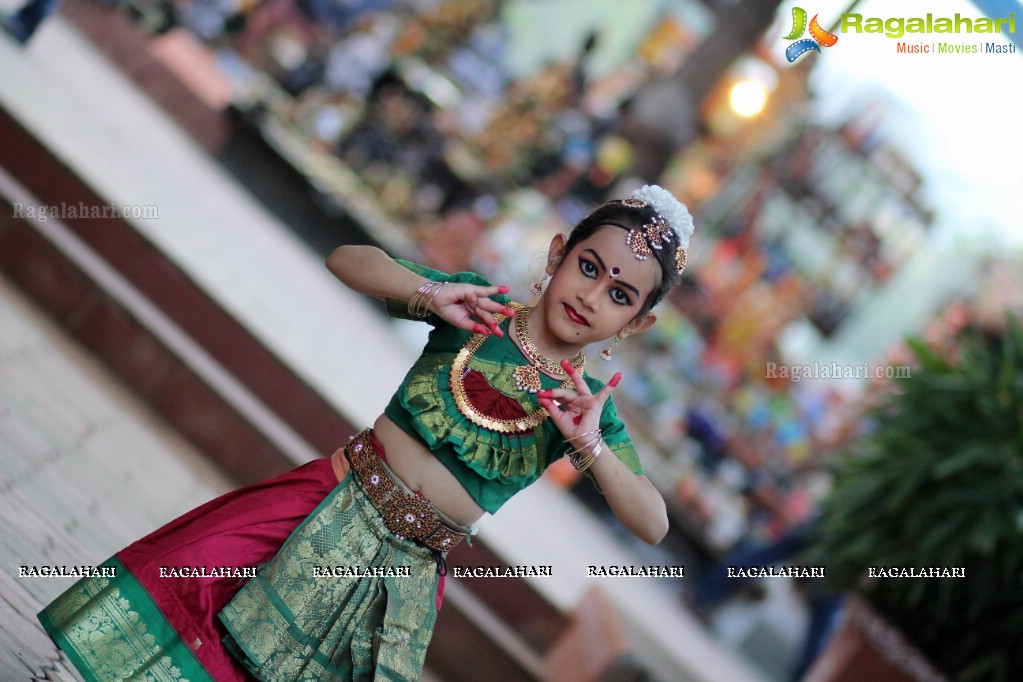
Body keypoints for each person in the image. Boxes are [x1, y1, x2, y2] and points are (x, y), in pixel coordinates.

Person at [37, 184, 695, 681]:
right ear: (558, 253)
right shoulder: (476, 307)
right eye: (589, 266)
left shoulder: (585, 412)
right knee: (198, 595)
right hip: (325, 501)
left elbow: (652, 523)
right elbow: (347, 259)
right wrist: (424, 293)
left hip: (402, 578)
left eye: (620, 295)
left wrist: (591, 447)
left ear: (635, 324)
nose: (592, 295)